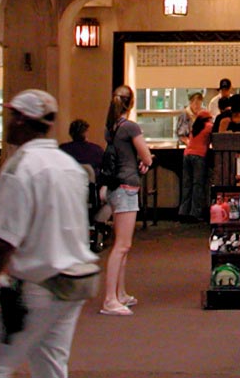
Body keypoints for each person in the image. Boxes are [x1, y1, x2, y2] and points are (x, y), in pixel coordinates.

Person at [0, 90, 98, 378]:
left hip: (37, 286)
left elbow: (5, 242)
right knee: (50, 365)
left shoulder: (21, 168)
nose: (7, 121)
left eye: (11, 115)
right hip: (74, 284)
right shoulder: (68, 165)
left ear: (22, 120)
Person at [100, 85, 153, 315]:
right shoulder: (130, 127)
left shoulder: (110, 128)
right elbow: (146, 156)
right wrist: (146, 161)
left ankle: (119, 293)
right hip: (127, 187)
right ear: (131, 104)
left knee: (120, 245)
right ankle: (110, 298)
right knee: (122, 246)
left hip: (114, 186)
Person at [179, 97, 213, 221]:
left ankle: (183, 212)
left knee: (187, 184)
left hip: (187, 154)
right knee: (197, 185)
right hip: (199, 156)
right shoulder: (209, 126)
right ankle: (195, 213)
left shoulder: (195, 127)